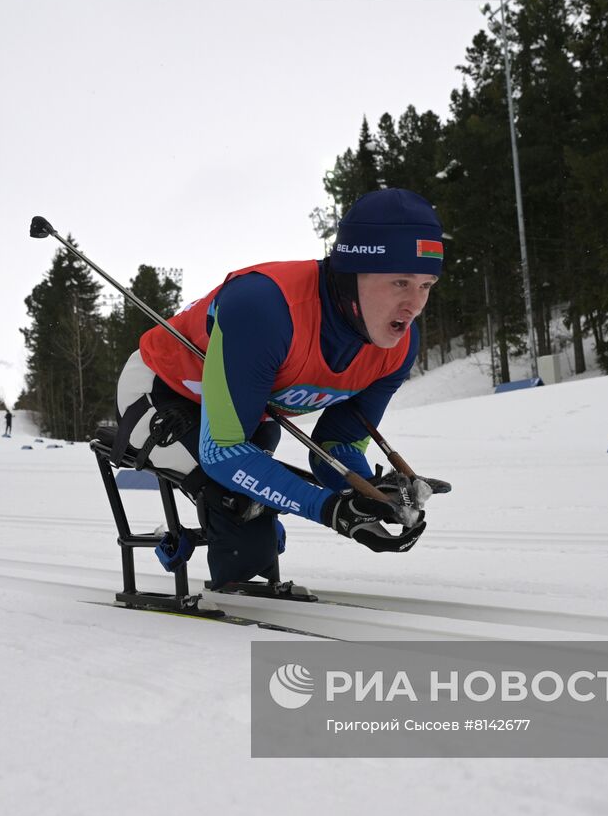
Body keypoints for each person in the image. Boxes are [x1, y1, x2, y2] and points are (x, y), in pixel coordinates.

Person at [113, 188, 446, 589]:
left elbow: (335, 450)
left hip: (251, 412)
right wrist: (329, 509)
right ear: (352, 273)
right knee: (235, 500)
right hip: (160, 395)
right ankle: (213, 590)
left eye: (426, 285)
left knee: (253, 513)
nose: (414, 304)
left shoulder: (399, 346)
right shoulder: (267, 307)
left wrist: (373, 496)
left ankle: (251, 544)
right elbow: (222, 452)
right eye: (400, 283)